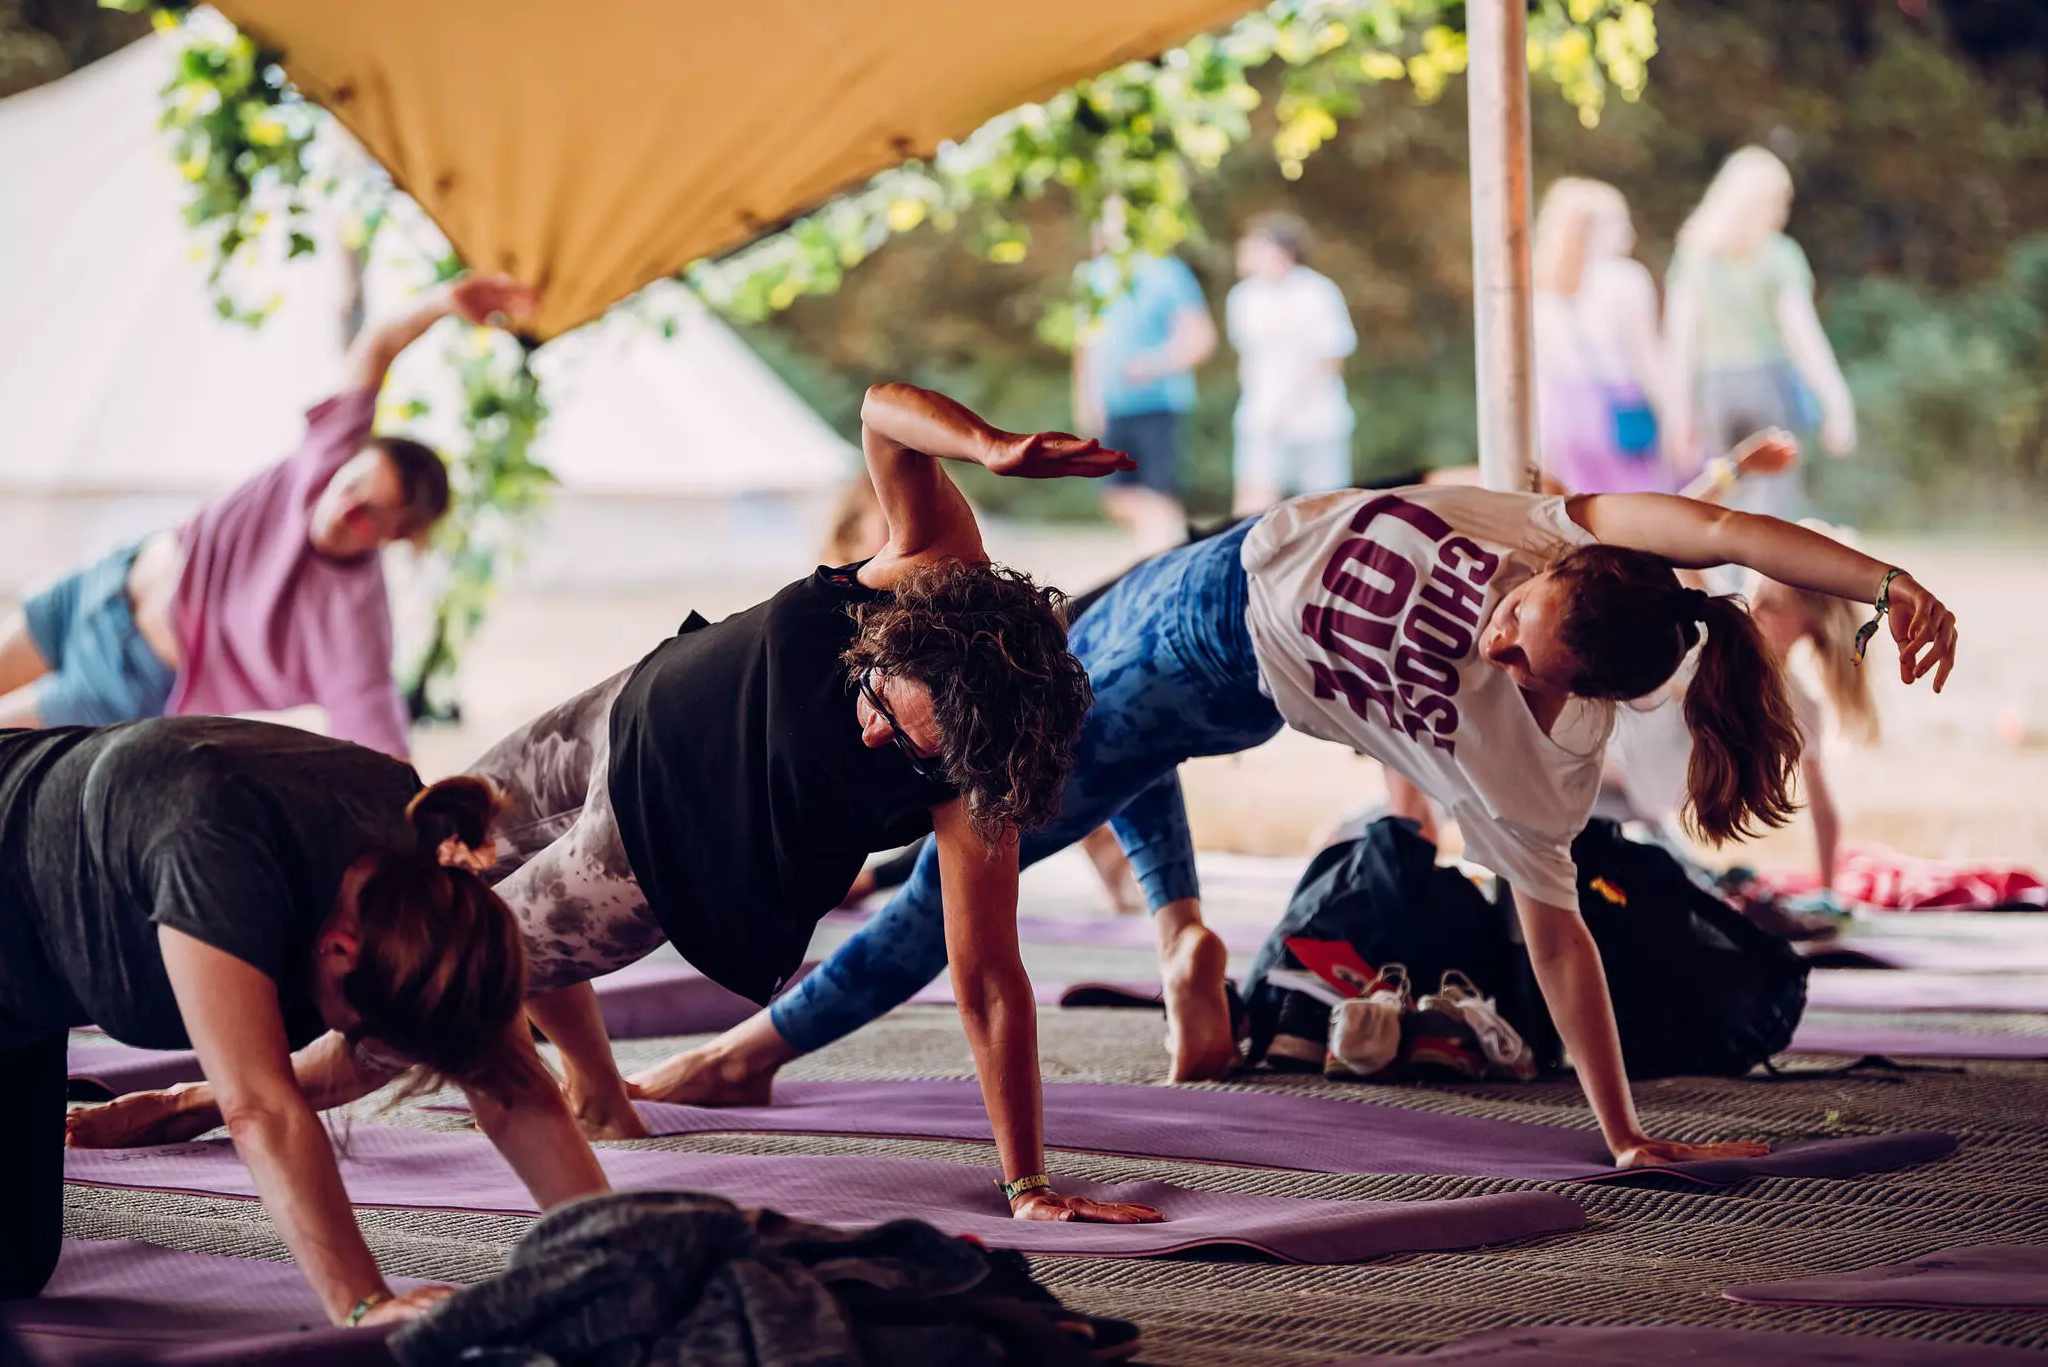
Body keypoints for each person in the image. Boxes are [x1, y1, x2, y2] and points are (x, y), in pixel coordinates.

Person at [628, 477, 1958, 1173]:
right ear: (1559, 561)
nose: (1500, 641)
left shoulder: (1534, 765)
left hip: (1203, 634)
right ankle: (1181, 932)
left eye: (1529, 659)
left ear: (1581, 693)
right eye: (1517, 612)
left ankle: (750, 1050)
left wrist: (1617, 1128)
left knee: (958, 872)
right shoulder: (1549, 528)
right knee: (1099, 743)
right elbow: (1723, 527)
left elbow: (1561, 949)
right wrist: (1884, 578)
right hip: (1212, 621)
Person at [74, 383, 1164, 1228]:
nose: (875, 732)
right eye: (884, 699)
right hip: (611, 714)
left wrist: (1025, 1178)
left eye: (905, 748)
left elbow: (987, 983)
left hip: (652, 857)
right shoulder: (934, 565)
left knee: (437, 975)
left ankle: (196, 1101)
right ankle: (598, 1094)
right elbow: (883, 410)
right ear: (910, 639)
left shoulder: (978, 780)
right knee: (423, 853)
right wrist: (992, 445)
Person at [1, 717, 605, 1323]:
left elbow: (511, 1085)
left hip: (27, 985)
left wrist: (615, 1256)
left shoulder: (424, 866)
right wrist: (364, 1305)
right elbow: (259, 1107)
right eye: (366, 1036)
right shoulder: (214, 852)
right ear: (339, 951)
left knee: (13, 1265)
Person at [0, 274, 537, 758]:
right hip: (98, 588)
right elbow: (378, 345)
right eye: (353, 486)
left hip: (125, 680)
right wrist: (445, 301)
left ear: (395, 537)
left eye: (372, 514)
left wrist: (431, 839)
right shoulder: (330, 450)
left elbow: (384, 752)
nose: (345, 507)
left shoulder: (353, 626)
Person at [1606, 516, 1881, 895]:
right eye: (1758, 594)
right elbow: (1671, 531)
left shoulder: (1796, 702)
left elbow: (1821, 806)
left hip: (1643, 790)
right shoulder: (1724, 625)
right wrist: (1734, 471)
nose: (1758, 609)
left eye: (1775, 605)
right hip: (1616, 772)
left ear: (1812, 626)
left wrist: (1829, 892)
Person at [1665, 147, 1857, 515]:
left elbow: (1680, 341)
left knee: (1721, 494)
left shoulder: (1693, 256)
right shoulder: (1780, 255)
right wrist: (1837, 402)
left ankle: (1726, 573)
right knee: (1773, 500)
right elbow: (1803, 337)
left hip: (1713, 389)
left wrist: (1678, 414)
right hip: (1768, 386)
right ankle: (1761, 574)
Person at [1074, 204, 1218, 554]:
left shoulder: (1167, 271)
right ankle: (1173, 547)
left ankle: (1155, 561)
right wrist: (1085, 397)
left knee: (1157, 495)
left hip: (1157, 403)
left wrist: (1155, 364)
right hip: (1112, 406)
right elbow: (1084, 345)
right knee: (1115, 498)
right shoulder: (1091, 275)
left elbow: (1201, 339)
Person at [1532, 178, 1671, 494]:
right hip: (1620, 410)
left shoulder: (1542, 286)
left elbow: (1541, 373)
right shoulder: (1626, 279)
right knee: (1635, 511)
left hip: (1563, 415)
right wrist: (1675, 416)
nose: (1630, 234)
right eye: (1622, 223)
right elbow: (1647, 357)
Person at [1225, 212, 1358, 515]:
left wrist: (1291, 400)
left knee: (1326, 512)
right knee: (1252, 507)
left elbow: (1332, 357)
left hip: (1317, 421)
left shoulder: (1317, 292)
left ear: (1280, 251)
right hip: (1262, 420)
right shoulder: (1244, 298)